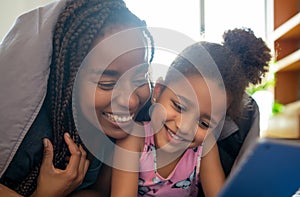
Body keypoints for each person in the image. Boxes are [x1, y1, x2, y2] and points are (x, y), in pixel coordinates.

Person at [0, 0, 154, 196]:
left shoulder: (129, 125)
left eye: (140, 78)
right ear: (70, 79)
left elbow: (98, 192)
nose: (131, 101)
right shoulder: (30, 136)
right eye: (107, 84)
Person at [110, 28, 271, 197]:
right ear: (158, 92)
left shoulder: (205, 148)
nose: (184, 127)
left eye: (204, 123)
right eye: (179, 107)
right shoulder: (134, 140)